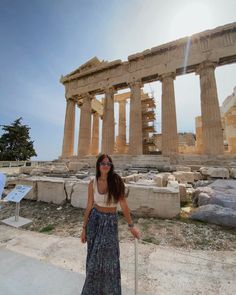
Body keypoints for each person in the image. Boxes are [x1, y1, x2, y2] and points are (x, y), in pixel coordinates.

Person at [80, 153, 141, 295]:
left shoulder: (116, 180)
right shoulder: (92, 183)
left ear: (111, 166)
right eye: (103, 163)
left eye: (108, 163)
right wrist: (83, 228)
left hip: (110, 222)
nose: (106, 166)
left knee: (110, 259)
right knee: (93, 258)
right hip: (94, 221)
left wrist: (131, 226)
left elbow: (123, 204)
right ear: (98, 165)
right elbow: (89, 206)